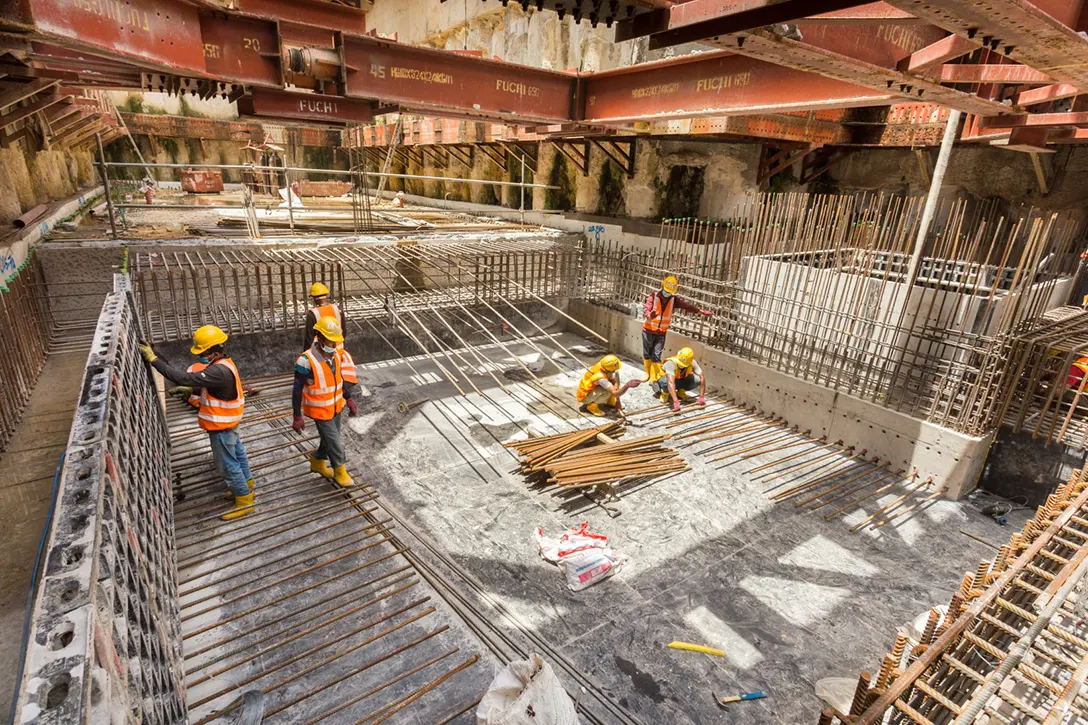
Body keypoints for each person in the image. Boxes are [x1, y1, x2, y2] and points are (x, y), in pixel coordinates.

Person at [138, 326, 255, 521]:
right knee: (238, 454)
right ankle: (245, 485)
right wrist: (190, 392)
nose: (200, 355)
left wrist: (154, 360)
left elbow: (184, 377)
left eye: (203, 352)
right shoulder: (225, 363)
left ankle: (244, 499)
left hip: (221, 426)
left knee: (227, 464)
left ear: (213, 352)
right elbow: (214, 390)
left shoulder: (217, 370)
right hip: (230, 422)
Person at [292, 315, 359, 487]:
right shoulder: (305, 361)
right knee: (335, 441)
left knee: (328, 439)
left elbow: (338, 379)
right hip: (320, 410)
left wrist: (348, 398)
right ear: (319, 338)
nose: (334, 345)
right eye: (330, 342)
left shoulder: (335, 355)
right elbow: (297, 389)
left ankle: (317, 460)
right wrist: (297, 416)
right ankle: (340, 471)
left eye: (335, 342)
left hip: (336, 407)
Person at [642, 275, 712, 381]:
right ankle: (647, 373)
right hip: (648, 330)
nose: (667, 294)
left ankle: (653, 376)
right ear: (663, 287)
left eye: (670, 292)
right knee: (647, 352)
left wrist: (699, 311)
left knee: (656, 354)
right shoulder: (653, 296)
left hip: (661, 332)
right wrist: (648, 315)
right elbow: (647, 308)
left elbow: (686, 306)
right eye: (666, 291)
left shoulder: (673, 300)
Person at [576, 354, 641, 417]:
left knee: (616, 374)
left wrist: (616, 385)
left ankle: (610, 400)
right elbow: (615, 393)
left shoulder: (603, 365)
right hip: (585, 396)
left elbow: (614, 375)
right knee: (607, 390)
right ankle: (592, 406)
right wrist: (627, 385)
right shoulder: (600, 378)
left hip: (593, 388)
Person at [652, 347, 707, 412]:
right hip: (666, 381)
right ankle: (665, 393)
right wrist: (675, 401)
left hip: (678, 380)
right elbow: (670, 382)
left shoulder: (692, 362)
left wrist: (701, 397)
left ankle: (680, 392)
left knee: (697, 380)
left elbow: (702, 377)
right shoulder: (671, 363)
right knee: (665, 382)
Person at [302, 282, 345, 350]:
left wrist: (306, 355)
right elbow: (344, 331)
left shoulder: (312, 314)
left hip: (322, 351)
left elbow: (309, 338)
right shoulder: (338, 309)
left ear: (314, 298)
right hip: (339, 349)